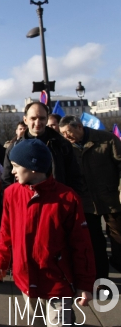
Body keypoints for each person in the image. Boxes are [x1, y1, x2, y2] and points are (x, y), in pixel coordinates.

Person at [0, 139, 95, 326]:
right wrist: (1, 262)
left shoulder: (67, 198)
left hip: (58, 283)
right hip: (25, 279)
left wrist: (85, 285)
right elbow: (6, 233)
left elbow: (82, 246)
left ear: (33, 166)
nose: (12, 171)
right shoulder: (11, 193)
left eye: (16, 166)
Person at [59, 115, 121, 279]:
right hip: (85, 202)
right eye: (63, 134)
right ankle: (101, 277)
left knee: (118, 236)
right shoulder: (66, 147)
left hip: (111, 198)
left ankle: (118, 262)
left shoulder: (107, 139)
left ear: (79, 127)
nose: (66, 137)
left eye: (68, 132)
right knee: (95, 243)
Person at [2, 102, 83, 196]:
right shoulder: (14, 148)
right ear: (25, 120)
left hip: (59, 202)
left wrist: (71, 202)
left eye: (42, 118)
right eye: (33, 118)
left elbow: (74, 177)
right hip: (25, 203)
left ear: (47, 119)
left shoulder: (62, 145)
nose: (37, 123)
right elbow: (7, 180)